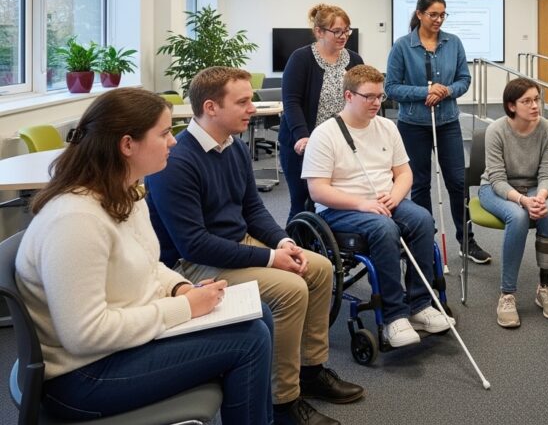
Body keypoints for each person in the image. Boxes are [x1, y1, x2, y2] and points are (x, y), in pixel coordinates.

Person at [15, 88, 274, 422]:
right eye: (164, 133)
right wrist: (183, 308)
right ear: (127, 145)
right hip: (82, 377)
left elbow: (149, 262)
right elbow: (84, 336)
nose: (174, 142)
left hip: (121, 345)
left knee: (258, 313)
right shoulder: (75, 219)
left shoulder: (125, 193)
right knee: (250, 341)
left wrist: (181, 288)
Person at [147, 67, 363, 425]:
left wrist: (283, 241)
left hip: (235, 244)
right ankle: (282, 402)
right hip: (190, 264)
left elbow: (252, 208)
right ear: (212, 107)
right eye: (243, 101)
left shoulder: (231, 146)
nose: (253, 108)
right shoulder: (176, 162)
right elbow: (195, 244)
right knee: (292, 289)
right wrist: (268, 257)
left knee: (320, 267)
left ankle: (310, 373)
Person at [303, 64, 452, 347]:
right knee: (383, 228)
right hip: (341, 209)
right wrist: (362, 204)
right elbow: (317, 190)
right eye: (368, 97)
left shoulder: (387, 127)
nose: (376, 103)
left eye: (380, 97)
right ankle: (394, 317)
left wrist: (396, 196)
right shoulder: (325, 134)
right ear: (348, 96)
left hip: (385, 201)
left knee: (421, 219)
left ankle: (420, 306)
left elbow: (404, 173)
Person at [386, 0, 491, 264]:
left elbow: (464, 80)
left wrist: (445, 91)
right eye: (433, 14)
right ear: (419, 14)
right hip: (413, 125)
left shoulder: (453, 43)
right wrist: (425, 91)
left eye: (443, 14)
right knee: (420, 184)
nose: (438, 19)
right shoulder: (402, 46)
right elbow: (391, 88)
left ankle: (466, 241)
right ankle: (424, 241)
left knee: (457, 182)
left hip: (447, 123)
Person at [479, 78, 548, 328]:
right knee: (518, 216)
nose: (535, 105)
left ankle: (544, 288)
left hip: (535, 188)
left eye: (537, 99)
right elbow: (496, 179)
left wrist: (541, 196)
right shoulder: (496, 130)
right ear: (511, 106)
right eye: (527, 101)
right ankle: (507, 294)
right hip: (496, 189)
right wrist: (524, 201)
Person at [280, 3, 365, 221]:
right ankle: (293, 249)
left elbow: (361, 99)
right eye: (337, 31)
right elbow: (291, 102)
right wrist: (302, 136)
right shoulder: (301, 59)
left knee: (336, 203)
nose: (343, 36)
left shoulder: (354, 60)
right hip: (305, 144)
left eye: (346, 30)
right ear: (319, 32)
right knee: (303, 204)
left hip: (341, 146)